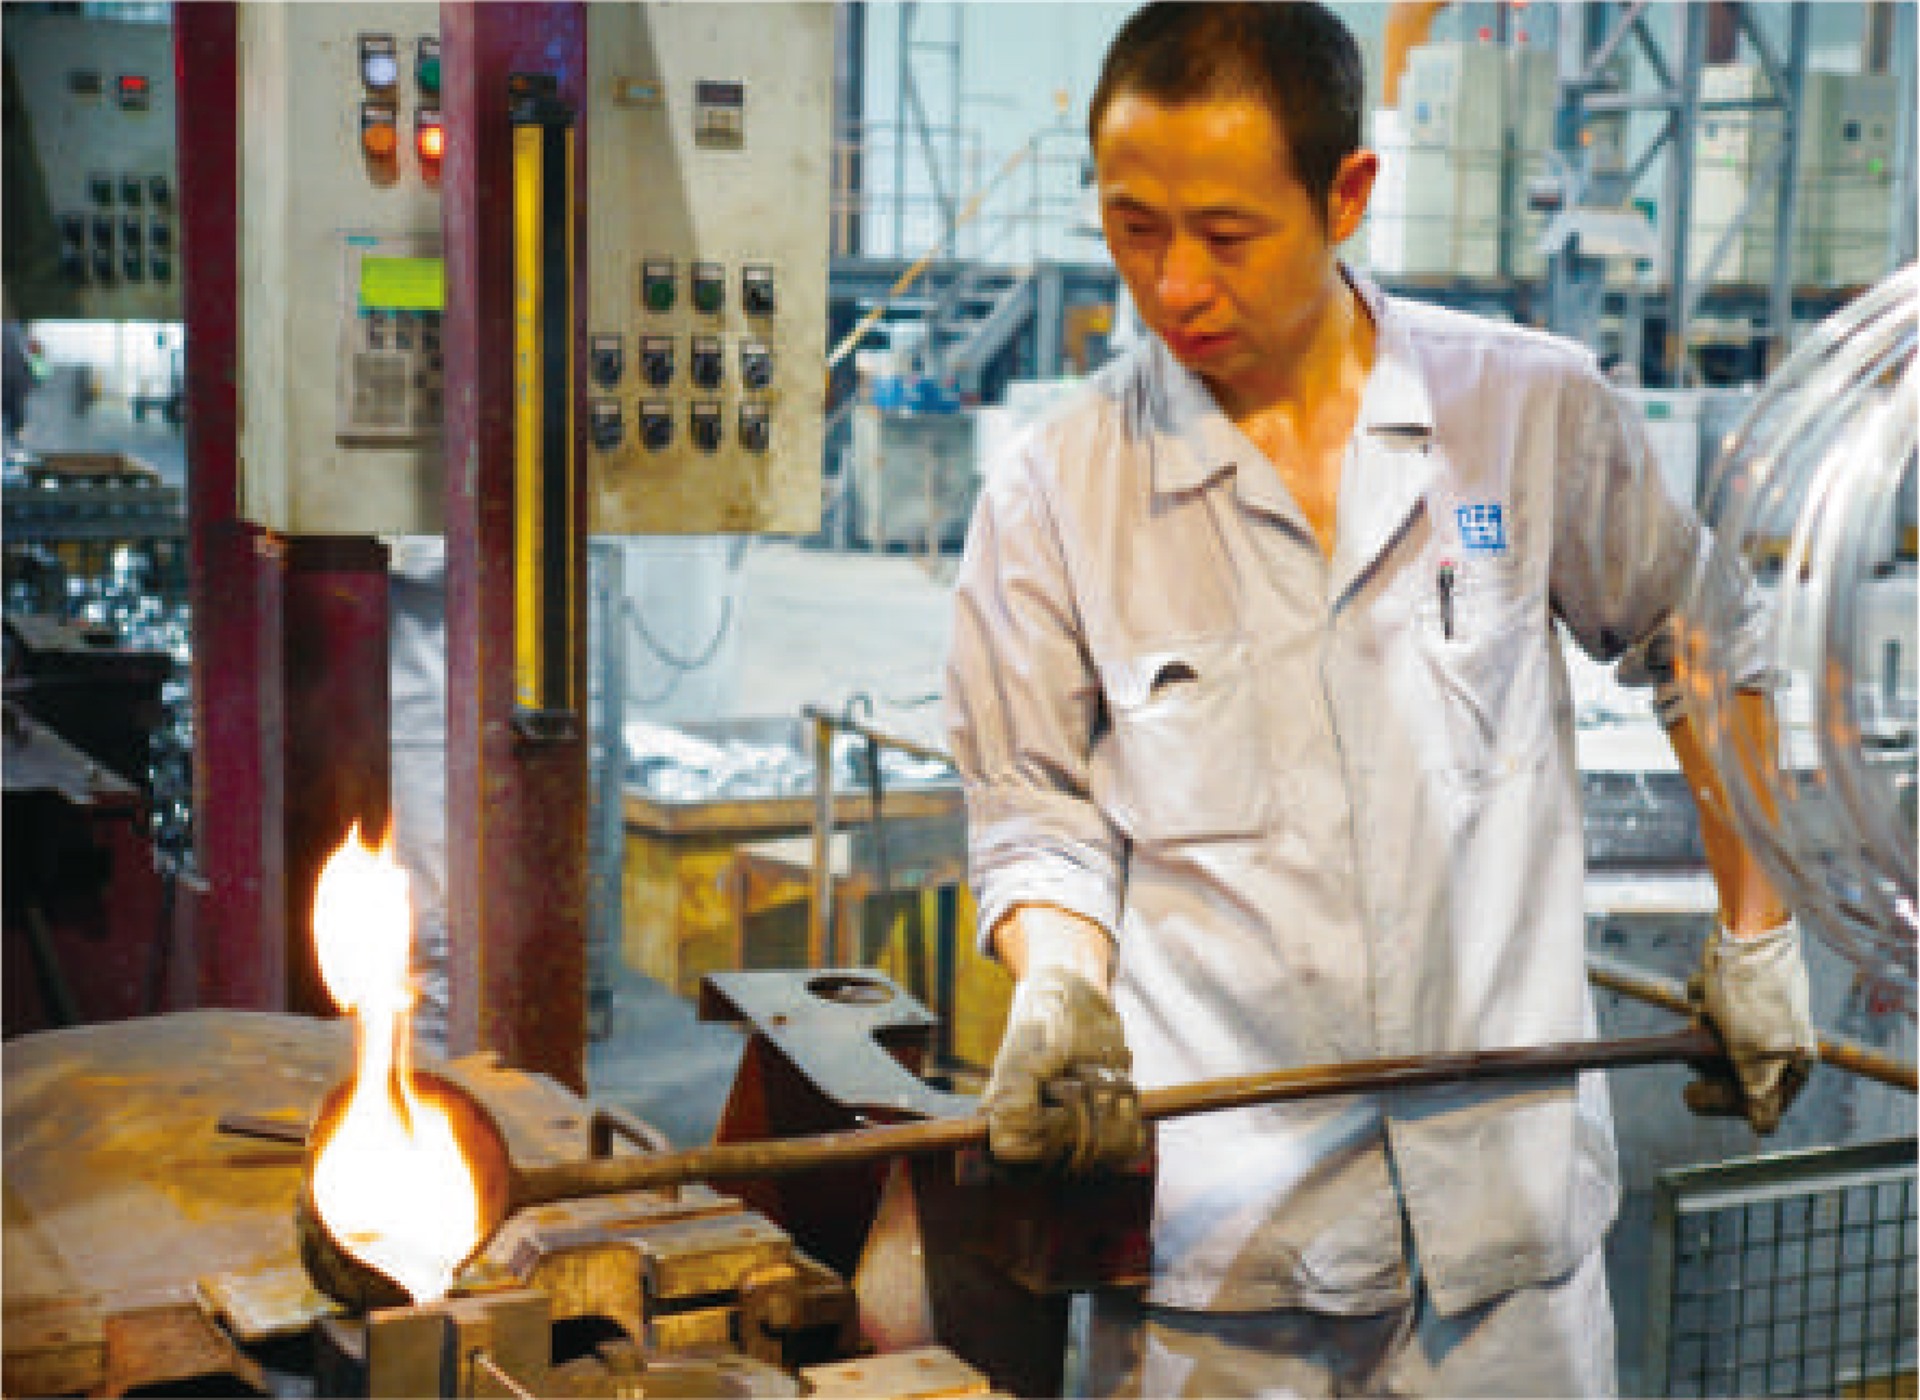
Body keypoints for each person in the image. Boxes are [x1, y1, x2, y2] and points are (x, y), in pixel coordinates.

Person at [942, 4, 1818, 1395]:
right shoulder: (1057, 493)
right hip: (1226, 1262)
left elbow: (1702, 637)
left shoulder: (1521, 416)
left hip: (1506, 1254)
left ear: (1345, 194)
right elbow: (1035, 806)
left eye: (1227, 236)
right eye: (1132, 227)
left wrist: (1757, 932)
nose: (1173, 283)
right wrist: (1058, 984)